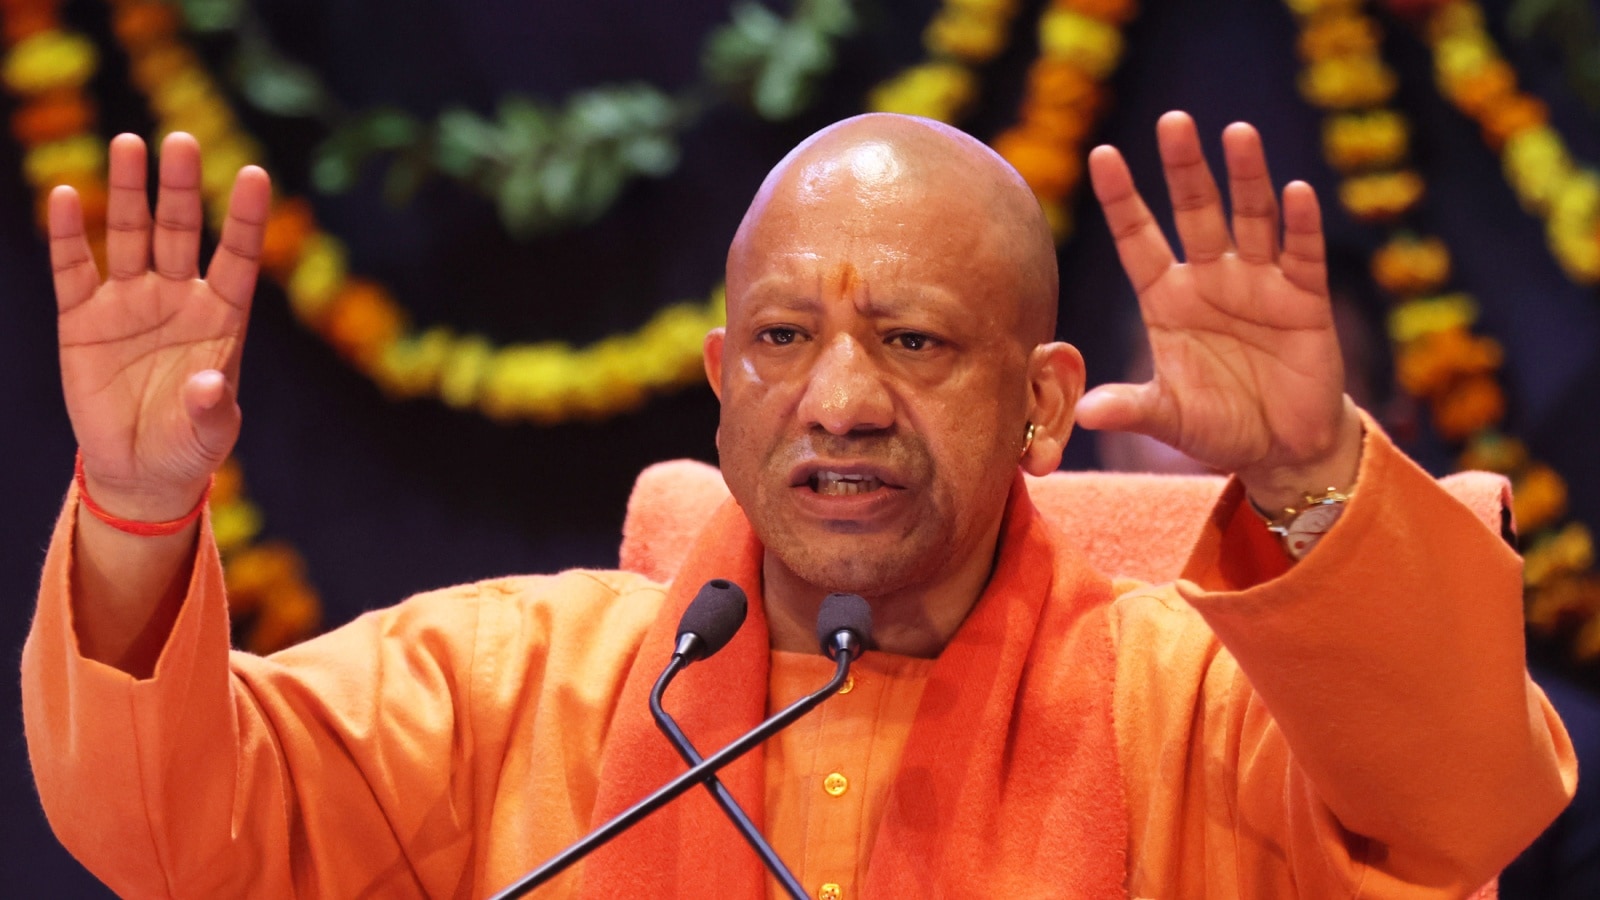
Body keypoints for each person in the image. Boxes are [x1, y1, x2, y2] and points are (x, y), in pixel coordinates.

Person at [21, 111, 1574, 898]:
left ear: (1045, 406)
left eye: (913, 341)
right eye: (781, 340)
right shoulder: (513, 688)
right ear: (720, 385)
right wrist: (141, 508)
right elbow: (178, 832)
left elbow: (1462, 815)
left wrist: (1303, 475)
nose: (838, 400)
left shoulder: (1194, 710)